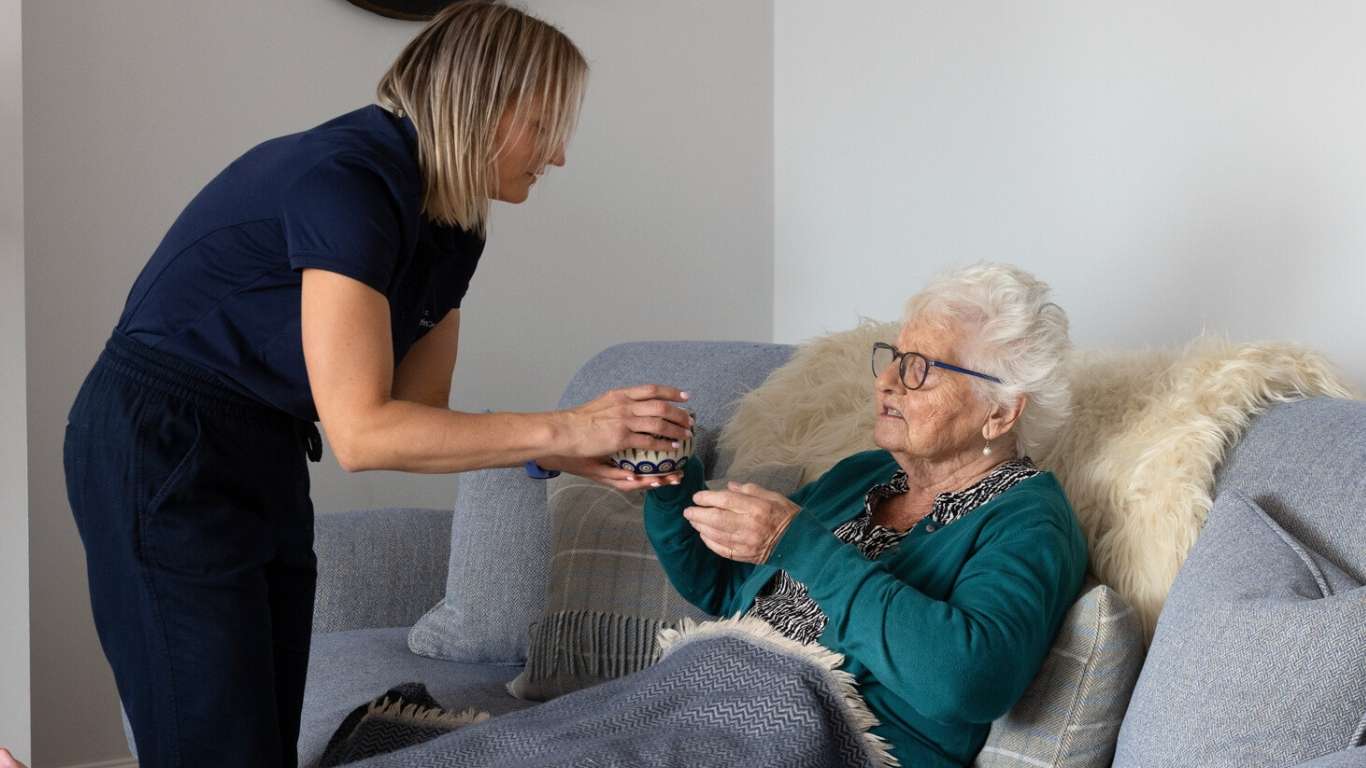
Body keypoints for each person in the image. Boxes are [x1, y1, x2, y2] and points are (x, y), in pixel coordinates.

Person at [59, 3, 689, 767]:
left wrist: (559, 454)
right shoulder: (347, 180)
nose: (556, 155)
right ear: (484, 104)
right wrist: (567, 427)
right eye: (546, 123)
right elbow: (363, 433)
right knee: (214, 747)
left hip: (266, 446)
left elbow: (416, 418)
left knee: (259, 741)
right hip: (164, 440)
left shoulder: (456, 226)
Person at [645, 263, 1088, 767]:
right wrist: (670, 476)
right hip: (709, 704)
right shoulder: (862, 475)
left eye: (921, 368)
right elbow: (724, 590)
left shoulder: (1028, 521)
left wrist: (798, 544)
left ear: (1001, 412)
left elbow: (967, 682)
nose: (886, 383)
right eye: (894, 359)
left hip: (830, 745)